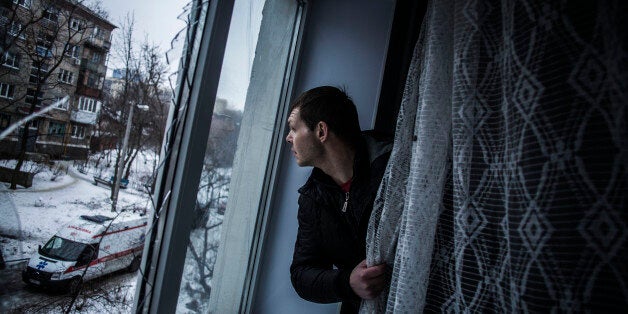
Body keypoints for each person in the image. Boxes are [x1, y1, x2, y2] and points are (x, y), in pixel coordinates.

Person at [287, 86, 392, 313]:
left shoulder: (392, 168)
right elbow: (302, 274)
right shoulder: (311, 198)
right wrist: (347, 283)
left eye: (294, 129)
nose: (288, 138)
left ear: (321, 131)